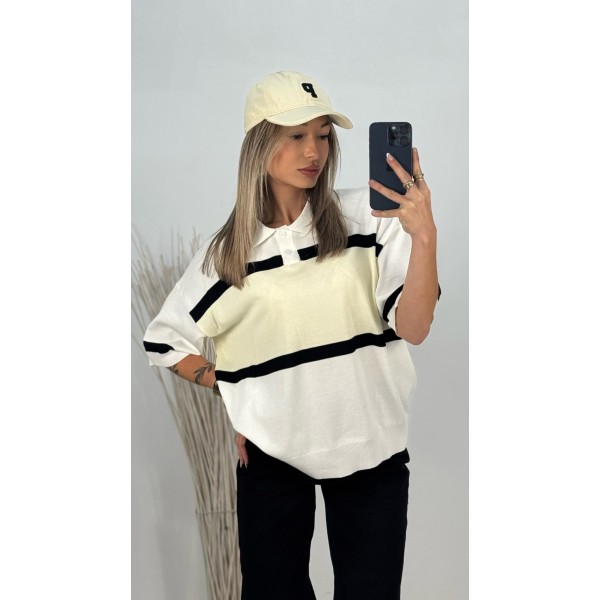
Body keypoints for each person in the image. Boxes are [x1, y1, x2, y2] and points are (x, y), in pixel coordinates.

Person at [143, 70, 439, 600]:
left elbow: (413, 328)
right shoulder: (227, 255)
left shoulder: (371, 220)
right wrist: (235, 390)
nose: (313, 151)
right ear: (259, 144)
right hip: (273, 458)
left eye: (323, 135)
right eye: (296, 135)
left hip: (371, 448)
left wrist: (425, 236)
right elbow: (164, 341)